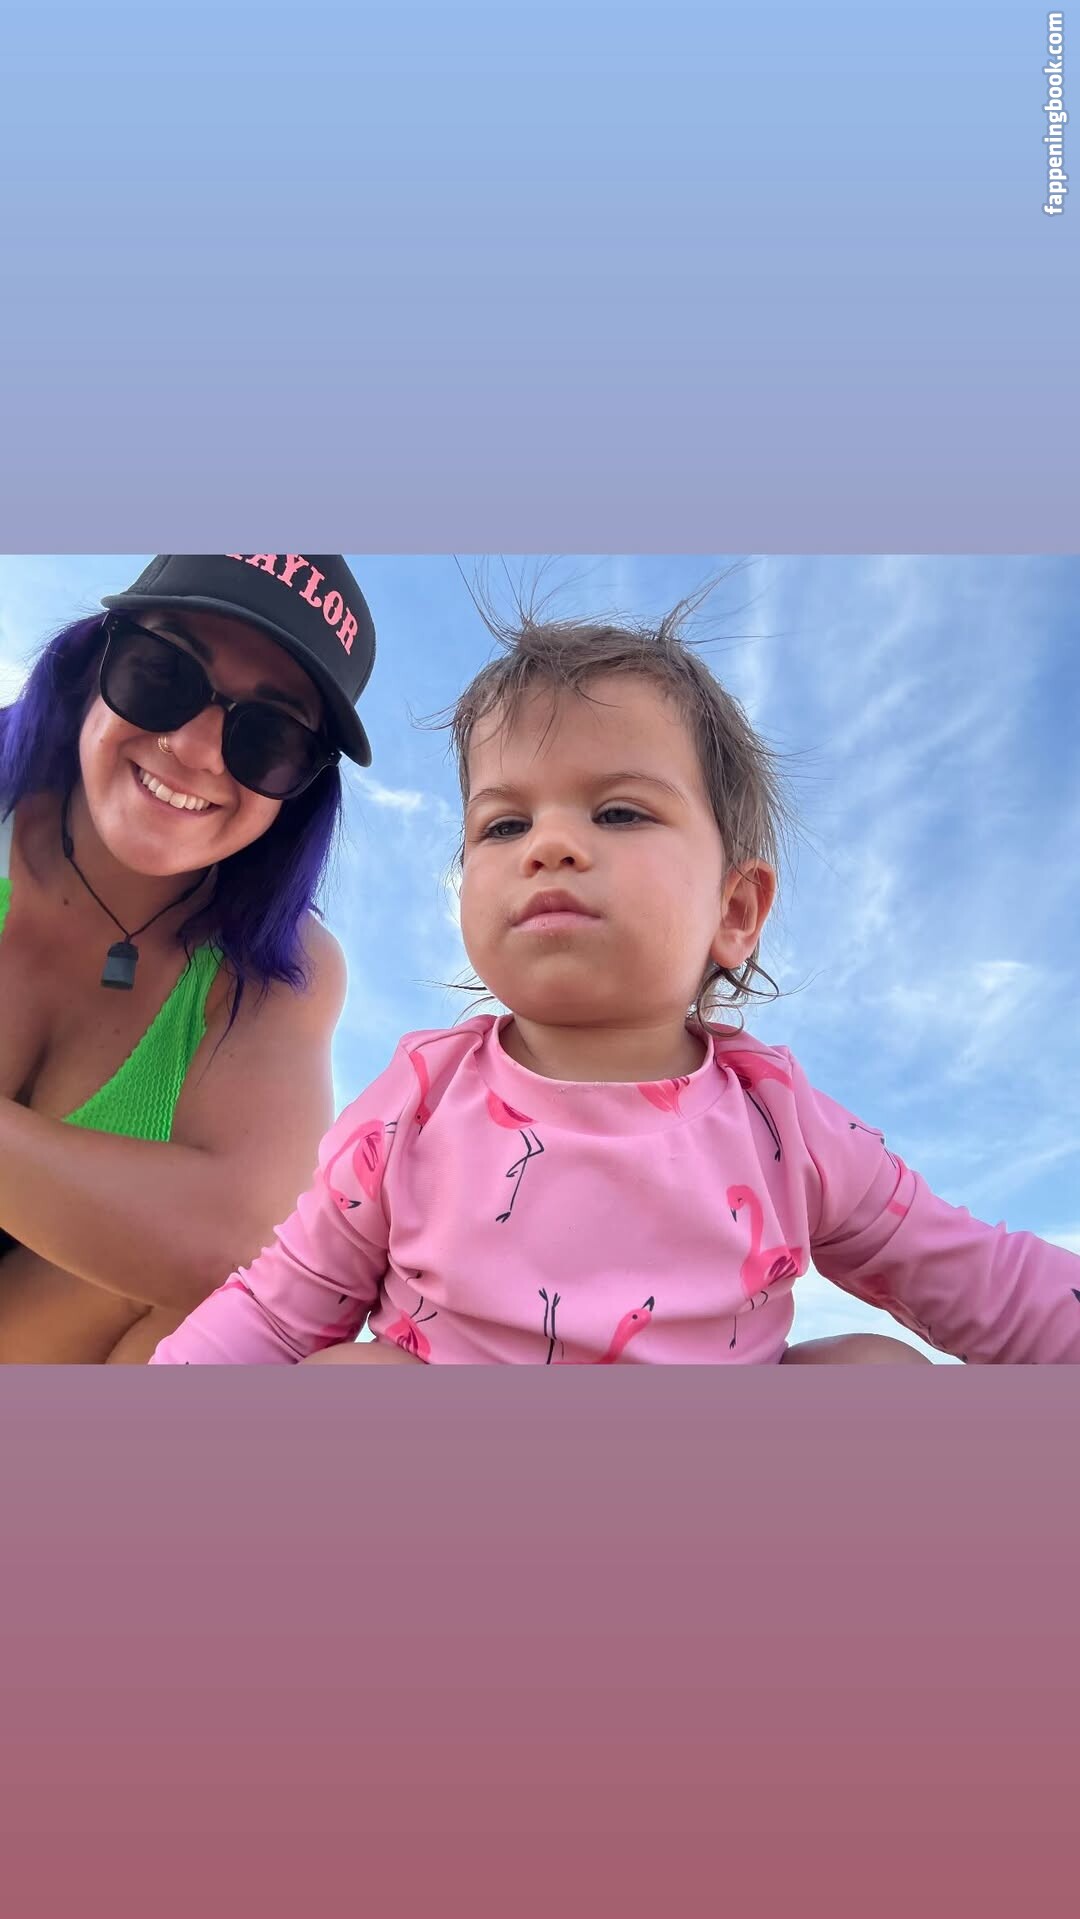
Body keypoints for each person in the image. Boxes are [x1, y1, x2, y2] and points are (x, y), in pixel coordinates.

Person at [151, 598, 1080, 1366]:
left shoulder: (779, 1121)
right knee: (353, 1380)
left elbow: (985, 1285)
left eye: (621, 811)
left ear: (736, 909)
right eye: (504, 826)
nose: (551, 843)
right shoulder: (419, 1104)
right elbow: (278, 1310)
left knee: (873, 1372)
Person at [0, 552, 377, 1363]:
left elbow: (246, 1244)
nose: (196, 749)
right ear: (95, 660)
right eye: (162, 670)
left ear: (300, 789)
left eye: (270, 735)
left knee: (229, 1304)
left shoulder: (282, 971)